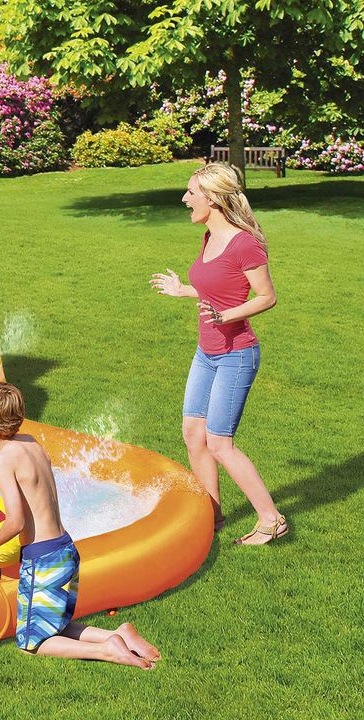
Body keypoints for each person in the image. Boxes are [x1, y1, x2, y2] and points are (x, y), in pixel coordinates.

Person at [0, 381, 160, 669]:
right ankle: (118, 634)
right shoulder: (29, 442)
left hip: (43, 559)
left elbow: (16, 520)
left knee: (33, 642)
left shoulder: (3, 460)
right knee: (50, 625)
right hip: (65, 548)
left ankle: (107, 650)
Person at [150, 163, 285, 545]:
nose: (184, 199)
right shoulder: (209, 237)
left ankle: (271, 519)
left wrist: (225, 315)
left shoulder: (246, 243)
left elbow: (266, 297)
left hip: (236, 354)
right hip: (206, 351)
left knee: (219, 442)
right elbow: (216, 288)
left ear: (212, 198)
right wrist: (184, 291)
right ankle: (211, 517)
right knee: (193, 433)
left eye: (191, 193)